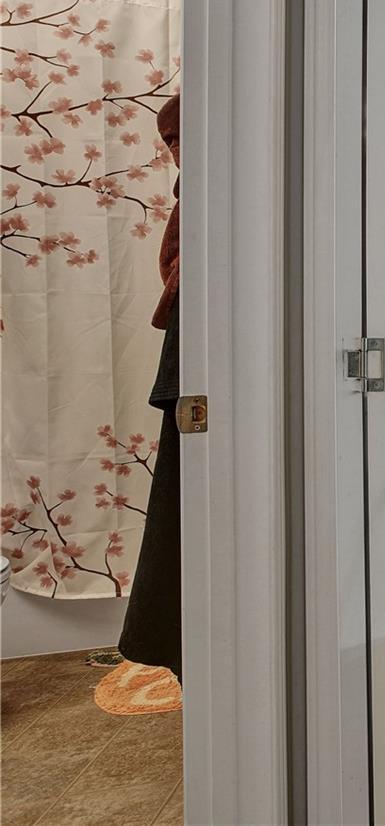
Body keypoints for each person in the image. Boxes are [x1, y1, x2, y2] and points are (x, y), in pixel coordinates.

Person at [118, 95, 182, 680]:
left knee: (179, 510)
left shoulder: (203, 202)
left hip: (192, 368)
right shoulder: (206, 202)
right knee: (182, 513)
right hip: (196, 373)